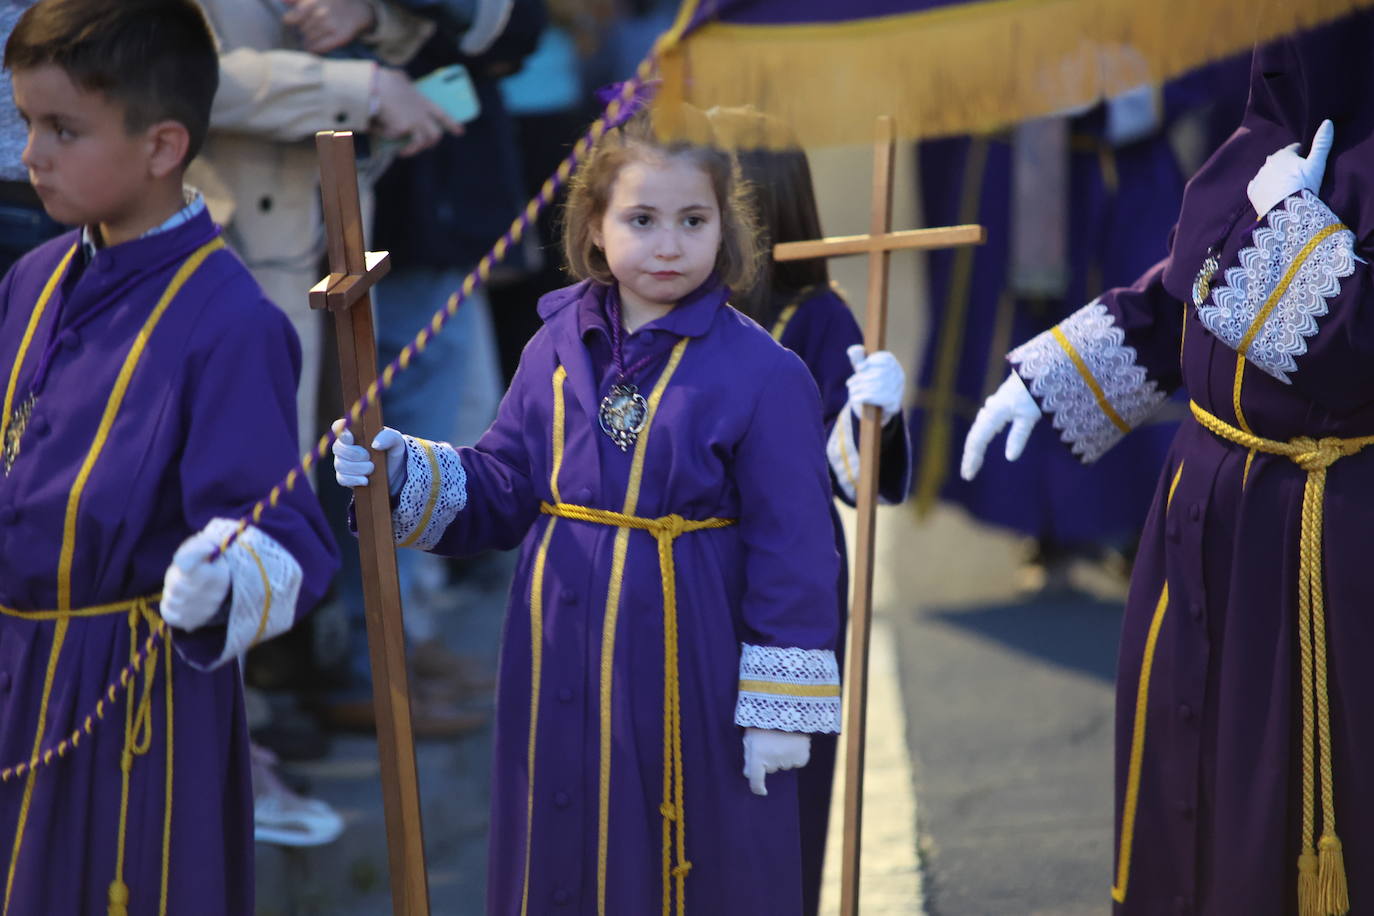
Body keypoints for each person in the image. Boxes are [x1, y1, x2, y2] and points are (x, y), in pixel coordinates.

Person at [333, 101, 844, 913]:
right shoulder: (554, 347)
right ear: (596, 228)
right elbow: (504, 485)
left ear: (726, 230)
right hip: (558, 647)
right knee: (563, 845)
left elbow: (798, 550)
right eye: (641, 218)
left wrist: (781, 708)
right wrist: (405, 471)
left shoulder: (767, 373)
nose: (669, 242)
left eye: (693, 219)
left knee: (685, 855)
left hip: (693, 662)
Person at [961, 15, 1374, 915]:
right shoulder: (1263, 144)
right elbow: (1186, 286)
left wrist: (1295, 229)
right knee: (1187, 790)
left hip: (1322, 549)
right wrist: (1056, 374)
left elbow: (1354, 350)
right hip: (1202, 522)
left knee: (1285, 808)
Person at [0, 2, 338, 913]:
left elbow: (289, 544)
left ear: (161, 146)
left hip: (126, 706)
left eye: (63, 129)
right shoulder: (30, 280)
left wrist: (223, 575)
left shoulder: (232, 326)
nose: (31, 153)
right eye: (28, 121)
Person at [714, 105, 911, 916]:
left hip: (787, 577)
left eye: (706, 205)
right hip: (685, 569)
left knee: (781, 798)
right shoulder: (662, 309)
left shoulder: (818, 316)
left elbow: (851, 475)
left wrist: (876, 414)